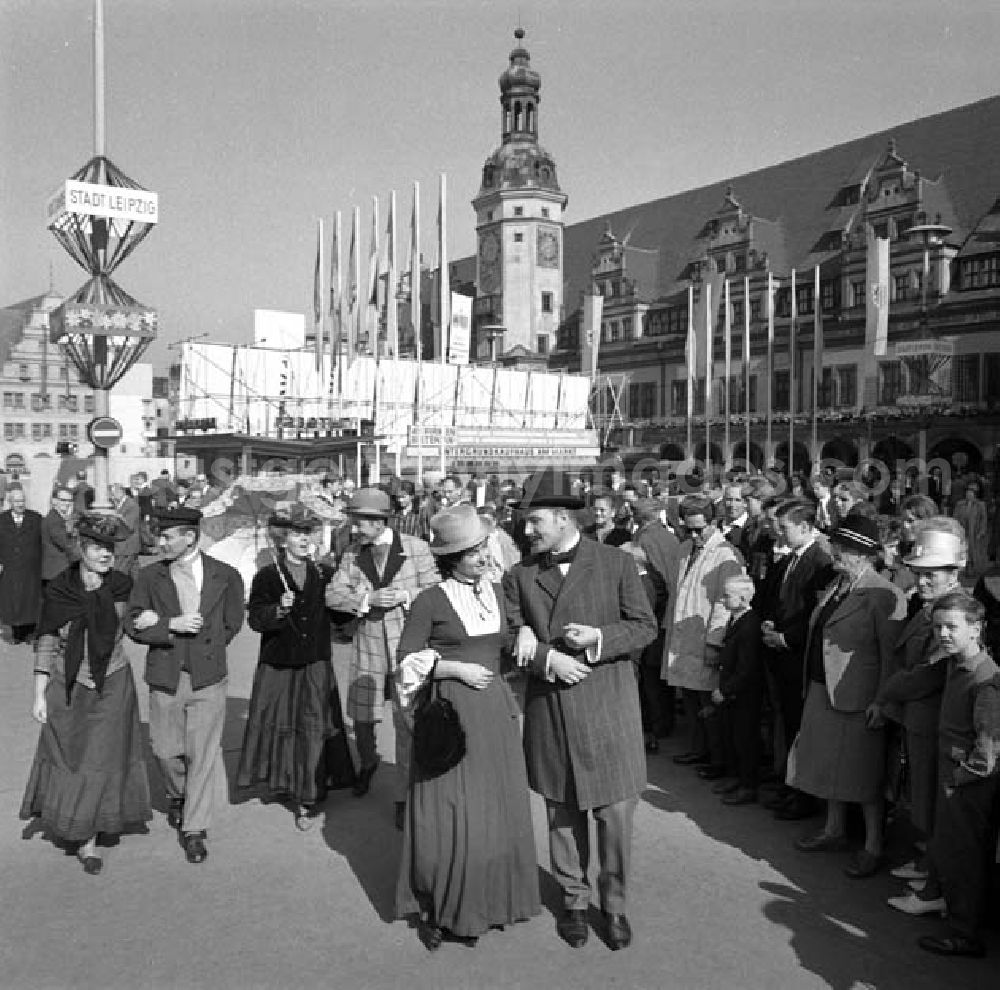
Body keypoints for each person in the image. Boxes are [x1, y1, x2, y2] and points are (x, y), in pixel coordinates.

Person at [503, 469, 657, 950]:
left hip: (608, 709)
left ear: (565, 518)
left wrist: (598, 641)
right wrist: (547, 658)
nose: (527, 532)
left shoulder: (616, 563)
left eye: (535, 522)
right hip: (551, 709)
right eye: (527, 523)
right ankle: (573, 900)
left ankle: (614, 907)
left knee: (614, 817)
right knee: (562, 814)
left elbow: (644, 626)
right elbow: (507, 634)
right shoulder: (521, 574)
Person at [394, 504, 540, 949]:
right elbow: (404, 661)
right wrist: (451, 669)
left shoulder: (498, 593)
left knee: (493, 809)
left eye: (483, 548)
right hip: (453, 715)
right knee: (451, 811)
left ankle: (489, 902)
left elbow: (510, 641)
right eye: (473, 551)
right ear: (451, 557)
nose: (483, 556)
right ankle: (442, 908)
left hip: (494, 712)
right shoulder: (430, 600)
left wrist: (527, 635)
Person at [20, 514, 152, 874]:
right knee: (69, 756)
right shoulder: (60, 589)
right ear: (81, 548)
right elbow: (47, 641)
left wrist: (148, 621)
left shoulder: (123, 586)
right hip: (68, 683)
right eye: (97, 547)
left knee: (101, 758)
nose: (105, 554)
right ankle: (74, 820)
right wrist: (37, 695)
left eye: (109, 548)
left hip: (113, 682)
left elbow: (132, 624)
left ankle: (88, 839)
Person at [125, 506, 245, 865]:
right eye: (159, 536)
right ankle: (177, 794)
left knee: (203, 754)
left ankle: (194, 829)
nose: (159, 542)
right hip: (166, 675)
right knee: (164, 750)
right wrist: (168, 626)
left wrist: (206, 648)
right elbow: (133, 622)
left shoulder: (226, 575)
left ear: (189, 537)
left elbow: (232, 622)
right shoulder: (149, 577)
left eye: (166, 536)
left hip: (208, 677)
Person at [789, 515, 907, 878]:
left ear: (859, 553)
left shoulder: (885, 595)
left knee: (864, 775)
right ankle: (834, 829)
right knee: (830, 767)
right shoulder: (839, 585)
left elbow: (892, 655)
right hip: (825, 690)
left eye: (840, 547)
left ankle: (873, 845)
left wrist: (883, 702)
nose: (834, 551)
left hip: (860, 698)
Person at [325, 488, 439, 828]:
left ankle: (404, 795)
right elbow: (333, 594)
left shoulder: (416, 548)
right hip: (368, 647)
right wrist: (367, 599)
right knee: (362, 718)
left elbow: (436, 589)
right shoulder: (350, 554)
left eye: (359, 522)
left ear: (378, 521)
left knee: (407, 722)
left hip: (408, 647)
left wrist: (404, 594)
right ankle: (368, 762)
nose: (354, 529)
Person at [237, 506, 355, 829]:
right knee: (281, 727)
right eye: (296, 534)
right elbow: (256, 620)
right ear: (283, 539)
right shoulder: (268, 576)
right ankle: (284, 782)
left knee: (313, 727)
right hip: (279, 665)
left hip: (315, 663)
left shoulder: (324, 573)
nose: (304, 540)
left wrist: (354, 600)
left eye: (308, 533)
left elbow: (340, 617)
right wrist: (278, 609)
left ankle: (308, 795)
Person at [874, 522, 965, 905]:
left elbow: (925, 673)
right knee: (921, 796)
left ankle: (935, 886)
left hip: (936, 722)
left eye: (932, 574)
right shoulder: (931, 608)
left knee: (933, 803)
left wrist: (887, 693)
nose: (923, 581)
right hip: (919, 720)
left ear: (954, 574)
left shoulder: (953, 613)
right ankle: (928, 862)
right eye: (920, 573)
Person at [910, 592, 1000, 959]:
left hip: (966, 784)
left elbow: (988, 753)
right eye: (938, 627)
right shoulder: (955, 665)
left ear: (976, 629)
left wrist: (957, 780)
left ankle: (965, 933)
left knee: (963, 856)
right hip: (954, 776)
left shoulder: (984, 679)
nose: (944, 634)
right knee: (953, 852)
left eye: (952, 627)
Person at [761, 496, 834, 820]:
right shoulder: (790, 559)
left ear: (805, 527)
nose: (779, 532)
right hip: (780, 651)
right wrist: (769, 623)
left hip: (797, 657)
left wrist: (785, 637)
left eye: (785, 527)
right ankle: (790, 786)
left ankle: (802, 797)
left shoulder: (820, 562)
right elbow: (778, 601)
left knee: (799, 727)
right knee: (788, 724)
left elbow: (813, 616)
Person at [665, 495, 744, 776]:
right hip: (685, 635)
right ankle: (698, 750)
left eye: (701, 529)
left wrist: (715, 642)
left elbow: (727, 602)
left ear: (714, 523)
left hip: (707, 638)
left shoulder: (726, 555)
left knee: (710, 704)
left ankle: (717, 759)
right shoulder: (685, 549)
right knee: (690, 697)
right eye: (690, 529)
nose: (695, 535)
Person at [629, 498, 682, 751]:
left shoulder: (646, 539)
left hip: (655, 611)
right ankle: (663, 721)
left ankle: (656, 723)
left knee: (650, 674)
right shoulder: (668, 537)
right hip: (668, 610)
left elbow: (658, 581)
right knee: (657, 674)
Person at [709, 574, 764, 805]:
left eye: (727, 595)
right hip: (735, 692)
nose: (722, 600)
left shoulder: (749, 625)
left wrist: (726, 690)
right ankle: (737, 778)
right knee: (733, 736)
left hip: (744, 695)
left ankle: (748, 785)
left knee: (745, 739)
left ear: (742, 598)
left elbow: (747, 667)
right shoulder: (738, 620)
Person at [0, 487, 43, 643]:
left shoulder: (36, 518)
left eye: (22, 500)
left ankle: (29, 633)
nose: (20, 504)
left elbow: (43, 542)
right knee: (12, 600)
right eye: (17, 501)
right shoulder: (2, 519)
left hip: (31, 568)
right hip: (9, 567)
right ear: (10, 502)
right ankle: (15, 633)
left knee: (29, 600)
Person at [40, 486, 79, 587]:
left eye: (70, 500)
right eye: (63, 500)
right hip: (57, 571)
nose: (67, 503)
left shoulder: (57, 518)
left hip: (55, 571)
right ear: (54, 501)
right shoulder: (54, 520)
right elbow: (66, 543)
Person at [953, 478, 988, 578]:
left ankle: (972, 569)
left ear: (975, 494)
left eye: (971, 493)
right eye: (967, 493)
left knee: (973, 552)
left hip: (975, 533)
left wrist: (981, 531)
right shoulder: (960, 504)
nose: (968, 495)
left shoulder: (980, 505)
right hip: (962, 532)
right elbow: (955, 518)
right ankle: (966, 569)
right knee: (963, 551)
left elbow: (983, 519)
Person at [109, 482, 143, 578]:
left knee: (119, 572)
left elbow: (129, 526)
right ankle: (138, 589)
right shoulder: (120, 504)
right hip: (125, 545)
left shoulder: (131, 505)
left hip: (127, 544)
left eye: (113, 493)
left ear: (120, 492)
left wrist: (118, 517)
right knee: (134, 571)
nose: (112, 496)